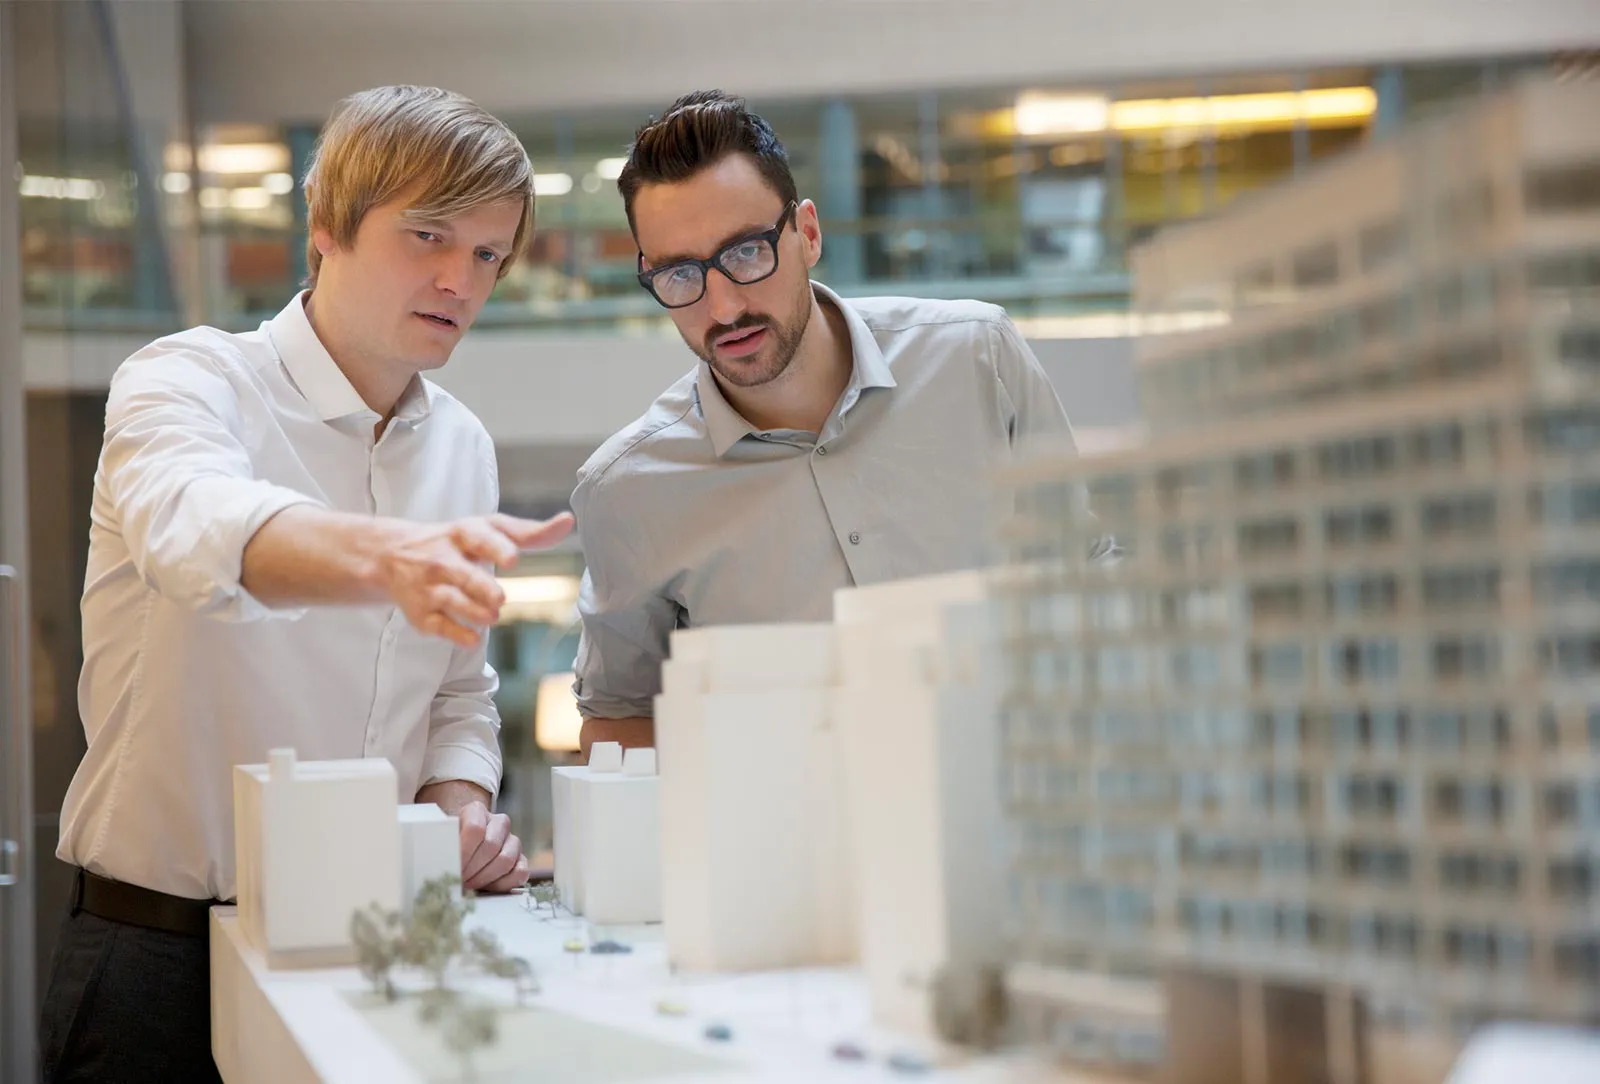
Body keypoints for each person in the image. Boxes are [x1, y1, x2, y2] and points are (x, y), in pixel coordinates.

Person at [39, 85, 573, 1084]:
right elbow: (188, 522)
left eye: (489, 254)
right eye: (427, 235)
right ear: (325, 227)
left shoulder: (461, 444)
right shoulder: (188, 379)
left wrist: (456, 804)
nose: (461, 278)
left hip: (370, 939)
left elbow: (457, 692)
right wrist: (385, 557)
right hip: (157, 958)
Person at [571, 89, 1082, 756]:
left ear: (807, 233)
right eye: (679, 275)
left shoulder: (977, 358)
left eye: (747, 252)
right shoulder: (628, 489)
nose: (722, 307)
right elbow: (619, 718)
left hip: (1023, 824)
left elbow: (1085, 578)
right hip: (791, 855)